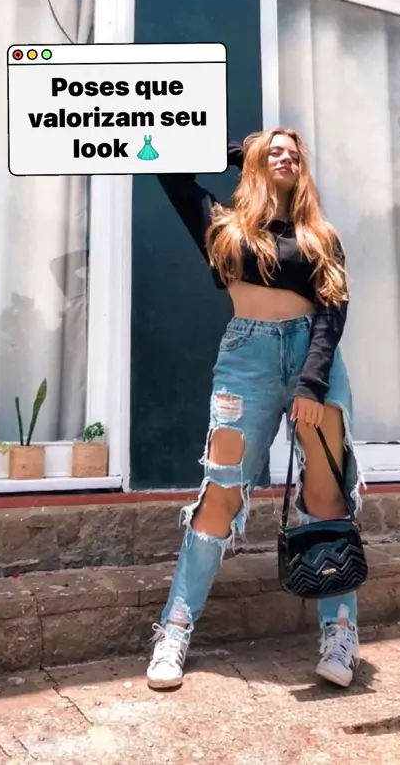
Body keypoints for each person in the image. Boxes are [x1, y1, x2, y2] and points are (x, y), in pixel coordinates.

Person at [147, 128, 364, 692]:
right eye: (273, 150)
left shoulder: (320, 235)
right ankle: (174, 628)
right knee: (220, 490)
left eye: (293, 151)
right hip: (247, 359)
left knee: (325, 492)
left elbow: (332, 312)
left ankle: (340, 632)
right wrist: (243, 152)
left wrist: (311, 384)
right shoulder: (223, 226)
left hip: (314, 358)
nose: (284, 155)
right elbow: (170, 172)